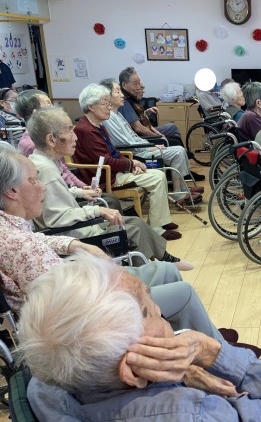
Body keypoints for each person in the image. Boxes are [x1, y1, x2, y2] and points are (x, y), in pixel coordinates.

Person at [19, 253, 261, 422]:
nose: (159, 308)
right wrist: (210, 352)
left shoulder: (45, 385)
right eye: (148, 311)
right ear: (133, 372)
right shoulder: (197, 414)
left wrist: (184, 373)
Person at [0, 143, 222, 340]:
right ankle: (218, 354)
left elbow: (37, 239)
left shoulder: (10, 228)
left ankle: (186, 340)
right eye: (33, 180)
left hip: (78, 289)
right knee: (184, 292)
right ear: (12, 190)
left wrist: (75, 245)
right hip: (82, 320)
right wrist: (123, 284)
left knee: (167, 271)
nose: (43, 186)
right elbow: (67, 303)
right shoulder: (23, 247)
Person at [27, 106, 188, 267]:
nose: (75, 137)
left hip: (76, 228)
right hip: (76, 237)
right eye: (69, 131)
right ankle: (147, 269)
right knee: (132, 230)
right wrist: (98, 211)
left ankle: (162, 259)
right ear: (51, 140)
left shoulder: (43, 161)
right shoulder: (47, 171)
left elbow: (56, 195)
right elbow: (57, 218)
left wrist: (80, 192)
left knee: (135, 221)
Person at [73, 84, 181, 239]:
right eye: (105, 104)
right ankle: (157, 228)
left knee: (158, 174)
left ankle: (160, 221)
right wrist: (131, 164)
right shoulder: (86, 130)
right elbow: (106, 161)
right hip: (106, 177)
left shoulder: (97, 126)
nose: (109, 107)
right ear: (91, 106)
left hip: (113, 171)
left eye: (109, 103)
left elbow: (114, 152)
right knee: (157, 178)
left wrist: (131, 164)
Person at [99, 79, 203, 205]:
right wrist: (148, 147)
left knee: (178, 148)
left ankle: (182, 189)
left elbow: (133, 136)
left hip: (140, 148)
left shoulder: (117, 115)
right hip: (135, 154)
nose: (122, 95)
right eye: (118, 92)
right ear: (107, 96)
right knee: (178, 151)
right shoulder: (109, 118)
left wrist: (151, 145)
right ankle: (177, 193)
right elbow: (124, 142)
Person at [118, 66, 184, 148]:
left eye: (139, 84)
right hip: (142, 139)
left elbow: (141, 119)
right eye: (135, 84)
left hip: (146, 132)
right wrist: (159, 137)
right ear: (124, 85)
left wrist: (159, 134)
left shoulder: (132, 99)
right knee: (176, 143)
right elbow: (139, 128)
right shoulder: (124, 102)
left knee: (173, 131)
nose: (138, 87)